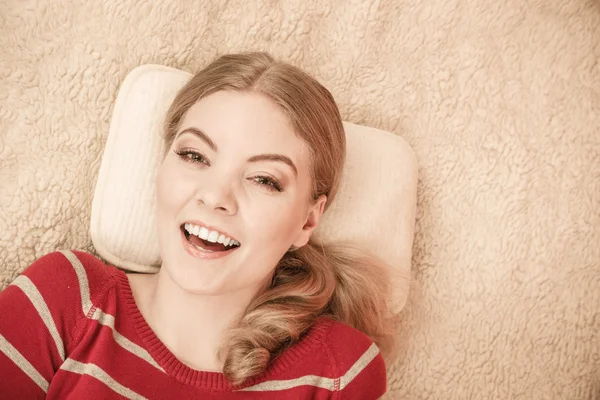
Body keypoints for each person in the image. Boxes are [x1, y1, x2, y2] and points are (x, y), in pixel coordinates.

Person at [0, 52, 395, 399]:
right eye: (194, 155)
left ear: (308, 220)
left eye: (264, 179)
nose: (216, 196)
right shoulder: (64, 299)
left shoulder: (336, 373)